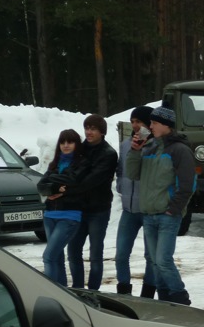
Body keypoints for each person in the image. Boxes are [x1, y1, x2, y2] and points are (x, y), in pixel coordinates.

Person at [126, 105, 196, 305]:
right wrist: (134, 151)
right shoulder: (149, 147)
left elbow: (188, 184)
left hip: (167, 215)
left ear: (166, 125)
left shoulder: (180, 150)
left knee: (163, 260)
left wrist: (173, 209)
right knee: (155, 262)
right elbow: (132, 174)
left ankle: (180, 298)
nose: (151, 126)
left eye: (155, 123)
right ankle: (165, 300)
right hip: (149, 214)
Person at [65, 114, 118, 290]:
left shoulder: (109, 154)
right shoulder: (78, 149)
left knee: (95, 254)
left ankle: (93, 292)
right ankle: (78, 289)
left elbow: (91, 180)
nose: (89, 132)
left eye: (93, 128)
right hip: (78, 209)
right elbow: (68, 172)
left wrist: (67, 188)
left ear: (102, 132)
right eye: (87, 128)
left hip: (98, 209)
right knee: (73, 251)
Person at [114, 105, 157, 297]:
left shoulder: (156, 145)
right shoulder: (125, 145)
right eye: (132, 122)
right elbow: (121, 170)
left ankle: (148, 293)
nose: (135, 125)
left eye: (138, 121)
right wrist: (121, 188)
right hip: (128, 210)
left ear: (148, 124)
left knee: (151, 256)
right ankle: (124, 292)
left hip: (148, 209)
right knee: (121, 254)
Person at [37, 130, 85, 286]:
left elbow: (73, 180)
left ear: (76, 144)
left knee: (48, 257)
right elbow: (40, 185)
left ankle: (51, 292)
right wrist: (57, 187)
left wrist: (52, 182)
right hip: (50, 215)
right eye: (63, 142)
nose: (66, 145)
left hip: (69, 216)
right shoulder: (54, 164)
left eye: (70, 142)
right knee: (56, 258)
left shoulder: (81, 163)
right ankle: (62, 293)